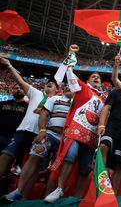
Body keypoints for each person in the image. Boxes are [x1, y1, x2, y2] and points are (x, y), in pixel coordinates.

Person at [45, 45, 105, 203]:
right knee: (69, 157)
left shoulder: (104, 99)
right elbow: (70, 73)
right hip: (76, 131)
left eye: (98, 77)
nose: (96, 78)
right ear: (87, 80)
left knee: (85, 168)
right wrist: (71, 55)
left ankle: (77, 197)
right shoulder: (82, 88)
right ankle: (59, 189)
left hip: (91, 137)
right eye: (93, 76)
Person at [4, 85, 72, 202]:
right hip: (49, 134)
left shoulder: (79, 103)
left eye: (71, 85)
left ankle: (47, 199)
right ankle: (19, 191)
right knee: (34, 157)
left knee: (56, 169)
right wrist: (42, 130)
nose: (68, 87)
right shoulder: (54, 99)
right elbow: (44, 114)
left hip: (65, 140)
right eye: (66, 86)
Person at [0, 57, 58, 177]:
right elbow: (20, 81)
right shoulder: (35, 93)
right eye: (47, 84)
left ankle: (20, 192)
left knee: (30, 164)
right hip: (23, 131)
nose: (49, 84)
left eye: (52, 85)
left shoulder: (58, 101)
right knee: (7, 154)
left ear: (57, 90)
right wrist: (10, 66)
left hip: (41, 135)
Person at [0, 84, 27, 151]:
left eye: (21, 88)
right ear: (12, 91)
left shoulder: (28, 107)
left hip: (15, 138)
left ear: (25, 92)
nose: (18, 89)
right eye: (16, 88)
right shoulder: (2, 104)